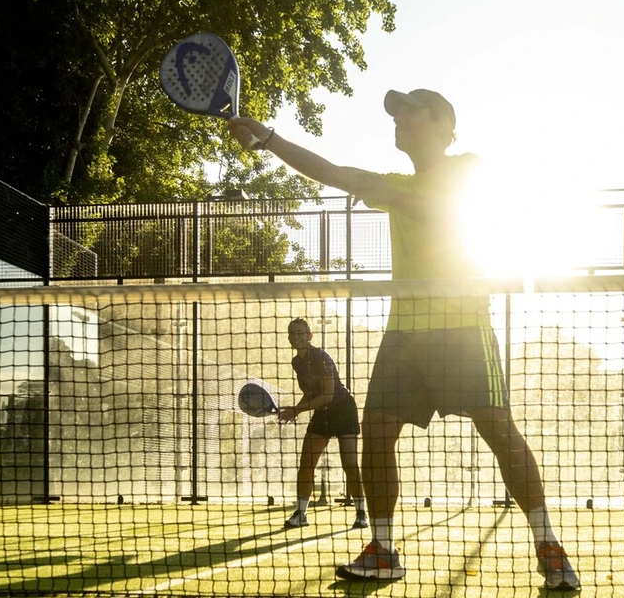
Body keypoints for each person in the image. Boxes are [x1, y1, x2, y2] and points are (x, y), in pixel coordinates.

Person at [228, 90, 580, 590]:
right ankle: (383, 549)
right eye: (397, 112)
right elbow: (333, 172)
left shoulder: (467, 167)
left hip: (464, 329)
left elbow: (446, 209)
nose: (400, 118)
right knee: (376, 434)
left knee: (499, 431)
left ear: (444, 126)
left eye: (412, 109)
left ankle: (548, 546)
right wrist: (268, 139)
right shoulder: (392, 184)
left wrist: (387, 193)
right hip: (404, 336)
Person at [277, 318, 368, 532]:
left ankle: (361, 513)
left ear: (309, 336)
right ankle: (301, 514)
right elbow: (311, 393)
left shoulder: (322, 358)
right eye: (292, 333)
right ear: (289, 338)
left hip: (343, 409)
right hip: (322, 413)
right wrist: (294, 409)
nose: (296, 337)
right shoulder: (297, 362)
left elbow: (327, 395)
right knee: (306, 463)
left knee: (350, 464)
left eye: (301, 333)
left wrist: (297, 410)